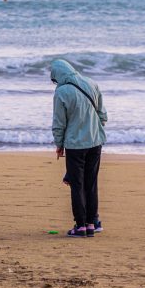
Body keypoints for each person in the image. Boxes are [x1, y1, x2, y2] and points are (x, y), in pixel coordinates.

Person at [51, 59, 107, 238]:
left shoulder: (61, 92)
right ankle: (92, 224)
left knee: (77, 185)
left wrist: (59, 144)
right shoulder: (91, 83)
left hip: (75, 145)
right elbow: (102, 115)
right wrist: (93, 130)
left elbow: (59, 122)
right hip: (95, 142)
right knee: (91, 184)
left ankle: (80, 226)